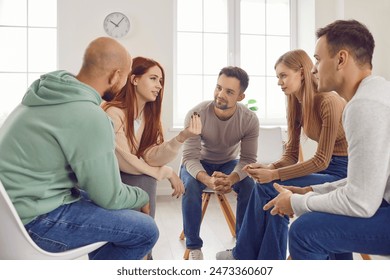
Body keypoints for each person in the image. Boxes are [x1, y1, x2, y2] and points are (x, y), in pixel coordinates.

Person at [0, 37, 159, 260]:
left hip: (11, 213)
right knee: (145, 230)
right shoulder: (89, 115)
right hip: (32, 223)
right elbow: (109, 197)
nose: (123, 86)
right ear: (114, 76)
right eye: (124, 78)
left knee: (96, 201)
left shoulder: (47, 94)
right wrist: (142, 196)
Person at [263, 19, 390, 260]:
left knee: (304, 231)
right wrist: (310, 191)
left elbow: (360, 202)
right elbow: (366, 184)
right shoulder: (376, 93)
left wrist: (298, 203)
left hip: (378, 204)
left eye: (318, 60)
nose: (313, 69)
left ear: (341, 59)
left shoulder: (363, 106)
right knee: (320, 219)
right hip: (381, 199)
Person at [217, 49, 349, 260]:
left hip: (343, 172)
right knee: (270, 187)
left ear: (302, 73)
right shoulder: (295, 103)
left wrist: (274, 175)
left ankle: (244, 256)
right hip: (327, 168)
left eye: (284, 75)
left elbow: (321, 161)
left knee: (269, 186)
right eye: (277, 76)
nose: (279, 82)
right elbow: (291, 155)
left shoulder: (328, 102)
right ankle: (265, 260)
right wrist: (269, 168)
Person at [102, 57, 201, 259]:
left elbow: (152, 156)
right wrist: (165, 172)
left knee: (146, 180)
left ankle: (144, 253)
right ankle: (143, 252)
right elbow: (123, 160)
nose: (159, 86)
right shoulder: (113, 112)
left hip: (130, 176)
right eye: (154, 78)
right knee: (146, 179)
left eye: (161, 81)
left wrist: (182, 137)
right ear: (135, 79)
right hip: (107, 179)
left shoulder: (148, 116)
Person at [180, 66, 259, 260]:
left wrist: (232, 178)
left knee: (249, 184)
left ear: (240, 97)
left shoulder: (249, 119)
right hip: (198, 163)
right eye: (218, 87)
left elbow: (248, 160)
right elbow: (190, 157)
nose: (220, 94)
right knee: (189, 186)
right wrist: (207, 180)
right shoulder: (196, 114)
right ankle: (194, 247)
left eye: (229, 91)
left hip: (228, 164)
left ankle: (242, 246)